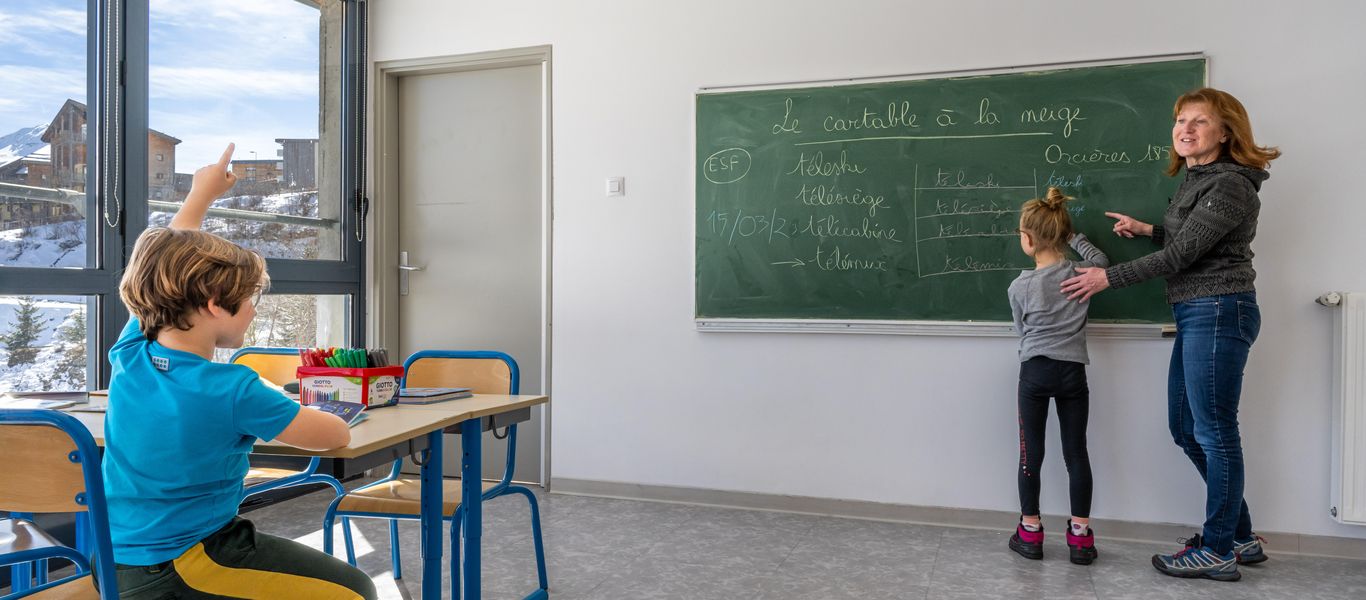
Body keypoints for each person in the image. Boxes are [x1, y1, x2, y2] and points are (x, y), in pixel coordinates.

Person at [103, 143, 378, 599]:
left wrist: (200, 196)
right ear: (214, 305)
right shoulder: (233, 388)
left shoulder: (131, 352)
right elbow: (335, 436)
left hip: (115, 559)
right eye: (251, 299)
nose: (252, 311)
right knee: (355, 590)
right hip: (187, 560)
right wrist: (275, 393)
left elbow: (162, 263)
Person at [1060, 88, 1280, 582]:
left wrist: (1107, 278)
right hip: (1197, 312)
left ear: (1226, 132)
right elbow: (1192, 240)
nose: (1185, 129)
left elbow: (1183, 258)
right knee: (1186, 429)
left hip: (1219, 310)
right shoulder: (1198, 179)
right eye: (1181, 120)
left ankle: (1219, 548)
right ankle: (1239, 536)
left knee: (1216, 432)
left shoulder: (1230, 185)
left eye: (1199, 122)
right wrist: (1149, 230)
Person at [1006, 187, 1109, 565]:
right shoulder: (1082, 274)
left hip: (1034, 372)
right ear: (1061, 235)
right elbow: (1102, 259)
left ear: (1029, 240)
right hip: (1072, 373)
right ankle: (1080, 538)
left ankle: (1030, 531)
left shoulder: (1019, 287)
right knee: (1076, 453)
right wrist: (1074, 237)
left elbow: (1022, 331)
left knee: (1030, 453)